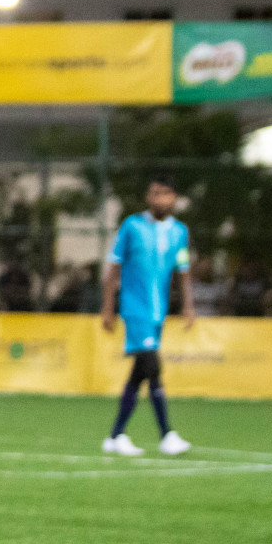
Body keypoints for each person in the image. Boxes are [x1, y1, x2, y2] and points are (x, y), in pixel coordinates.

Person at [101, 179, 194, 457]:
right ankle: (167, 434)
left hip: (158, 311)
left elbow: (183, 270)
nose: (160, 199)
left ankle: (116, 435)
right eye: (155, 193)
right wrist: (108, 308)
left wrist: (188, 306)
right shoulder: (132, 226)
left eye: (165, 194)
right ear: (148, 197)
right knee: (152, 366)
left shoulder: (179, 232)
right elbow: (114, 267)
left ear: (174, 198)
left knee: (140, 373)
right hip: (134, 308)